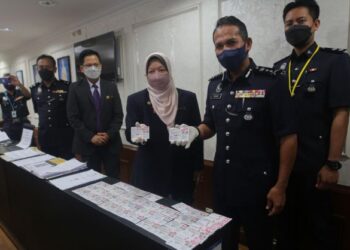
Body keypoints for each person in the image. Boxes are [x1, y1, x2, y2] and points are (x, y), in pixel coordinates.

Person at [175, 16, 298, 250]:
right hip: (223, 184)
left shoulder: (271, 82)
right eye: (219, 46)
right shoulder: (215, 85)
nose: (224, 50)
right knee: (225, 243)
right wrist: (194, 131)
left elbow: (288, 137)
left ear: (247, 43)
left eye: (231, 43)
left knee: (260, 242)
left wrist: (280, 186)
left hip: (260, 186)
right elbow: (210, 124)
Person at [273, 1, 350, 250]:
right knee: (285, 230)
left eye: (301, 21)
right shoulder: (278, 68)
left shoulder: (335, 62)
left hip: (315, 167)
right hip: (282, 167)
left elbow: (341, 113)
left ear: (315, 24)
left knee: (319, 231)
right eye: (289, 23)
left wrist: (332, 163)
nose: (294, 27)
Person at [125, 52, 203, 204]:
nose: (157, 75)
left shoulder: (188, 97)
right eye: (151, 71)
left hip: (181, 170)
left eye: (161, 69)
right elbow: (129, 132)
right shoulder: (136, 100)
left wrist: (198, 167)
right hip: (149, 170)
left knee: (182, 212)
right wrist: (137, 134)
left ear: (169, 71)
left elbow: (197, 133)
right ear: (146, 75)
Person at [67, 49, 123, 178]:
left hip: (111, 144)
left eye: (96, 64)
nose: (93, 68)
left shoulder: (111, 86)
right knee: (91, 181)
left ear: (101, 66)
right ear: (81, 68)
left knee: (114, 180)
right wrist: (91, 137)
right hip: (87, 145)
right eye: (88, 65)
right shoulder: (75, 88)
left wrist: (108, 135)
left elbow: (118, 115)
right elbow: (73, 117)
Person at [30, 54, 73, 159]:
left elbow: (73, 112)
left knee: (68, 169)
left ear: (54, 69)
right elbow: (37, 110)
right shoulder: (34, 89)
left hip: (64, 137)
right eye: (40, 67)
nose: (44, 70)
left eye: (47, 67)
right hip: (45, 138)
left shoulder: (67, 87)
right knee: (49, 167)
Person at [0, 73, 31, 141]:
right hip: (9, 126)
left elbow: (28, 96)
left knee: (28, 146)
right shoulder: (1, 95)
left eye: (10, 80)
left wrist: (19, 84)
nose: (9, 82)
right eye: (6, 80)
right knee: (11, 148)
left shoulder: (20, 92)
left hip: (24, 124)